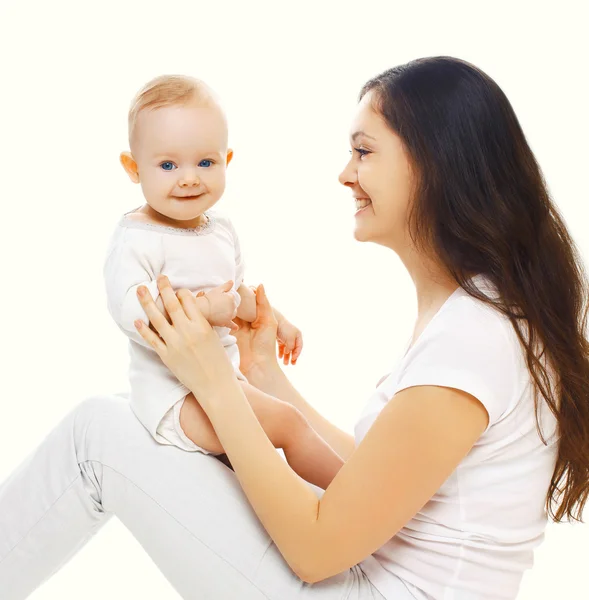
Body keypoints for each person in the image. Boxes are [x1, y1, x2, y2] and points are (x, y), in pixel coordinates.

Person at [1, 55, 588, 600]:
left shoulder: (474, 339)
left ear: (434, 162)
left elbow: (316, 550)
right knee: (114, 417)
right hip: (371, 576)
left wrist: (216, 381)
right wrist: (262, 375)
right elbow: (373, 484)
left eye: (363, 152)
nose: (344, 174)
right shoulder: (480, 316)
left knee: (96, 435)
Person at [104, 74, 343, 488]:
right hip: (175, 396)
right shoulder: (137, 238)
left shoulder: (221, 230)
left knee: (268, 463)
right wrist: (202, 309)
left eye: (205, 162)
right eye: (167, 165)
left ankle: (339, 511)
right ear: (132, 167)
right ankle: (362, 504)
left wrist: (275, 319)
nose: (190, 177)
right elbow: (134, 315)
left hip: (227, 382)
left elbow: (234, 297)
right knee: (288, 423)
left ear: (225, 161)